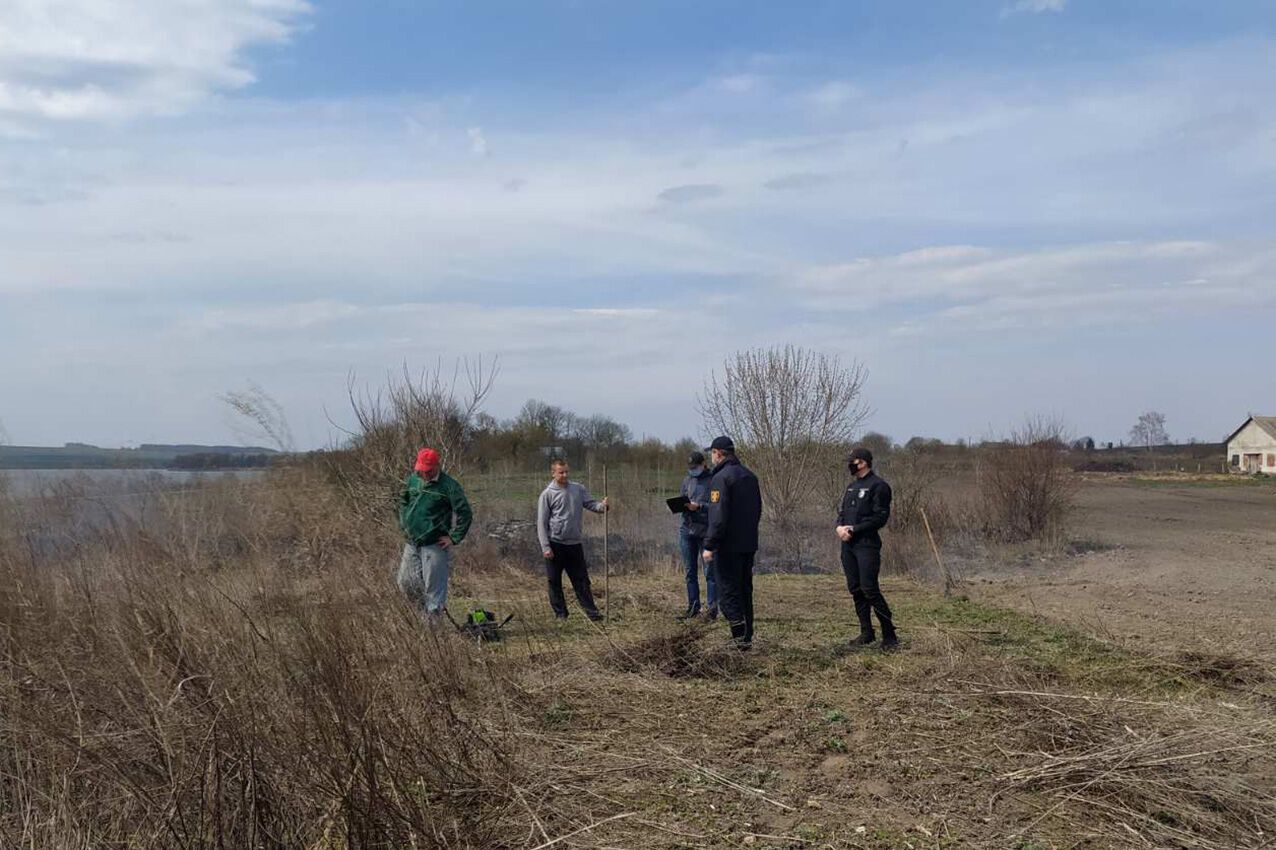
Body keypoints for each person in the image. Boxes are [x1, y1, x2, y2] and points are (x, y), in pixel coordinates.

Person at [397, 447, 473, 621]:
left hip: (434, 544)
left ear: (437, 466)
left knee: (434, 590)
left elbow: (465, 513)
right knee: (405, 583)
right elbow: (403, 500)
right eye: (422, 470)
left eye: (428, 470)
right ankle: (422, 616)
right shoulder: (412, 480)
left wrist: (454, 537)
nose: (424, 474)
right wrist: (403, 522)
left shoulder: (449, 486)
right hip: (412, 542)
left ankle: (433, 631)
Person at [701, 436, 762, 649]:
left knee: (728, 594)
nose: (712, 456)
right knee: (745, 591)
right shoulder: (750, 476)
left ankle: (738, 641)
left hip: (728, 546)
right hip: (748, 544)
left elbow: (718, 516)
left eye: (712, 453)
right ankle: (747, 637)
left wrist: (709, 545)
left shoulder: (721, 479)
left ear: (718, 453)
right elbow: (757, 511)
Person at [835, 447, 898, 651]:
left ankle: (889, 634)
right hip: (848, 545)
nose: (850, 465)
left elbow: (880, 517)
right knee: (855, 588)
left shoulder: (879, 486)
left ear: (862, 462)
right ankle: (866, 632)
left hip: (866, 545)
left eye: (852, 461)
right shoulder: (852, 487)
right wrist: (840, 526)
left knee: (869, 588)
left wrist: (855, 529)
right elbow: (843, 512)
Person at [536, 459, 609, 621]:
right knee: (554, 582)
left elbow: (591, 504)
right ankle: (561, 614)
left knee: (581, 580)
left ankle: (592, 613)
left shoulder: (578, 489)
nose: (565, 475)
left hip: (574, 543)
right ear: (553, 473)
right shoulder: (547, 495)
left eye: (566, 471)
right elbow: (541, 523)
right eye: (561, 472)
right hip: (555, 544)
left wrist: (602, 506)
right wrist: (545, 547)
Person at [677, 450, 718, 620]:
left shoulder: (713, 481)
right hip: (687, 529)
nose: (693, 470)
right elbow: (682, 498)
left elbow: (717, 506)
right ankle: (693, 607)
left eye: (696, 467)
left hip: (705, 531)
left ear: (704, 465)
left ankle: (712, 609)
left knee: (710, 571)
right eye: (691, 467)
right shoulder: (687, 480)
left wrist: (699, 507)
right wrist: (678, 505)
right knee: (689, 571)